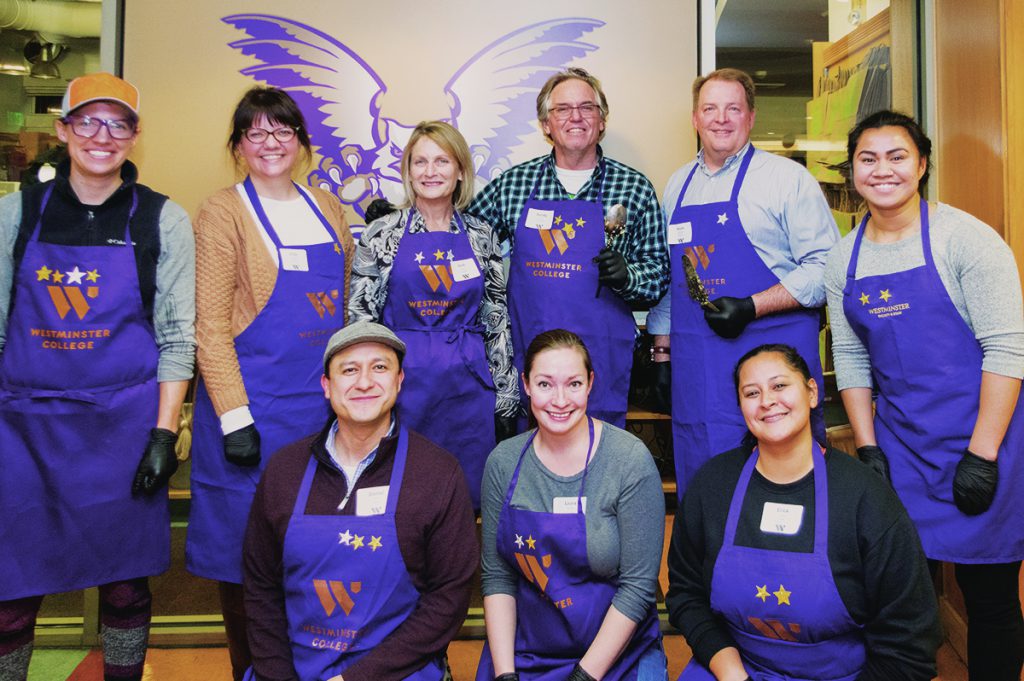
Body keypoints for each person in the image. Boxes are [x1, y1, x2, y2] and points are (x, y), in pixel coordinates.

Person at [0, 72, 195, 680]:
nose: (101, 136)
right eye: (86, 121)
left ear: (135, 137)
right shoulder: (16, 213)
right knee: (11, 592)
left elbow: (175, 336)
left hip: (121, 429)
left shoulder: (163, 220)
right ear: (61, 130)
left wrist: (163, 435)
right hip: (22, 429)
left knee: (125, 588)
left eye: (117, 123)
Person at [825, 110, 1024, 681]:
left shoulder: (968, 241)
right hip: (902, 450)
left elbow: (1008, 351)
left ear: (922, 165)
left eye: (897, 156)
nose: (882, 170)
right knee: (896, 597)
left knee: (990, 598)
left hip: (984, 438)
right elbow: (852, 358)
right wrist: (869, 450)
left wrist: (981, 456)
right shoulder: (845, 259)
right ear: (853, 170)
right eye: (868, 158)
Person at [186, 86, 355, 679]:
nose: (271, 143)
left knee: (314, 553)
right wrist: (235, 417)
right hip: (249, 416)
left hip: (317, 416)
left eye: (282, 131)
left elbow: (347, 309)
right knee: (246, 562)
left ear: (302, 142)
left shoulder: (329, 208)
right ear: (238, 147)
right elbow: (208, 327)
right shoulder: (221, 212)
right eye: (255, 133)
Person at [667, 344, 941, 681]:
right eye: (752, 392)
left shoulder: (866, 499)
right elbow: (685, 592)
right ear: (741, 407)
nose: (767, 400)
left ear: (811, 393)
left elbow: (909, 645)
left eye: (780, 386)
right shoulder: (712, 486)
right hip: (736, 669)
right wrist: (730, 670)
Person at [243, 321, 477, 681]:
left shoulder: (437, 473)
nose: (364, 382)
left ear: (399, 381)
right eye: (349, 370)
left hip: (397, 672)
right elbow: (261, 588)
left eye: (379, 367)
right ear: (327, 386)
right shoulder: (283, 471)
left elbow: (449, 596)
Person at [645, 68, 838, 495]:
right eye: (710, 108)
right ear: (695, 119)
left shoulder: (786, 180)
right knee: (708, 485)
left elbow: (827, 271)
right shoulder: (678, 185)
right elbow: (669, 275)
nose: (721, 118)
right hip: (699, 369)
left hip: (773, 361)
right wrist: (661, 355)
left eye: (733, 108)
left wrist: (752, 306)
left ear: (751, 117)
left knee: (784, 479)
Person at [468, 68, 668, 428]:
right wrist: (404, 218)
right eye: (563, 109)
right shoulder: (514, 184)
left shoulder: (634, 188)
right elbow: (462, 237)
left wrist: (629, 276)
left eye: (587, 107)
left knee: (599, 458)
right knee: (531, 456)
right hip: (530, 352)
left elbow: (657, 276)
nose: (575, 117)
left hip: (601, 357)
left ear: (602, 120)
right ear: (546, 124)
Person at [477, 329, 667, 681]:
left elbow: (638, 587)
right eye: (546, 384)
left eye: (574, 384)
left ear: (591, 383)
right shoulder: (503, 462)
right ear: (526, 384)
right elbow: (497, 576)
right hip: (527, 652)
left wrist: (583, 676)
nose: (560, 400)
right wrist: (505, 675)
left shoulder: (627, 460)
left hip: (617, 653)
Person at [348, 120, 518, 509]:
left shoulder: (482, 235)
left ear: (460, 171)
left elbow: (497, 320)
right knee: (402, 495)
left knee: (466, 498)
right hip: (400, 387)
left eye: (442, 161)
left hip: (468, 386)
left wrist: (507, 398)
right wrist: (365, 391)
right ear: (407, 171)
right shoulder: (381, 234)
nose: (430, 172)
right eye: (419, 162)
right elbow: (360, 322)